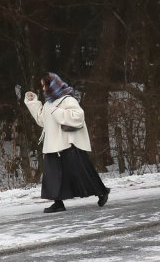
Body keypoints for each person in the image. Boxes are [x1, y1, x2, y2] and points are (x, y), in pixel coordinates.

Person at [24, 72, 109, 213]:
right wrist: (32, 102)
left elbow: (79, 117)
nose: (43, 89)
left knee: (81, 173)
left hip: (69, 144)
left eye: (45, 85)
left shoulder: (68, 100)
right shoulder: (48, 103)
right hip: (52, 145)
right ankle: (58, 203)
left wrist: (57, 113)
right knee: (52, 175)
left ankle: (102, 192)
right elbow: (42, 121)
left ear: (52, 85)